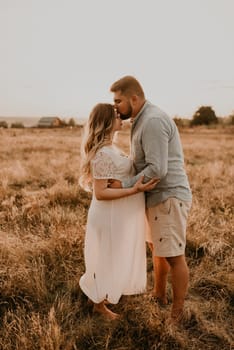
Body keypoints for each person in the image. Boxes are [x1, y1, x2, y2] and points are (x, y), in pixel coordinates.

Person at [109, 76, 192, 323]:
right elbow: (142, 161)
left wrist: (123, 185)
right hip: (155, 196)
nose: (115, 107)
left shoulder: (152, 121)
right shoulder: (140, 119)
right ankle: (159, 295)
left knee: (174, 255)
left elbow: (157, 169)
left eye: (118, 100)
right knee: (158, 248)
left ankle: (177, 314)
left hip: (167, 196)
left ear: (134, 98)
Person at [79, 103, 158, 320]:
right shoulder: (103, 153)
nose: (120, 117)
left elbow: (116, 179)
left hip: (119, 214)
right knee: (107, 256)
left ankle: (98, 294)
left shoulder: (111, 148)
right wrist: (134, 189)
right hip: (109, 215)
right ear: (106, 121)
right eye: (116, 115)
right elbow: (101, 193)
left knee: (113, 255)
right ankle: (98, 305)